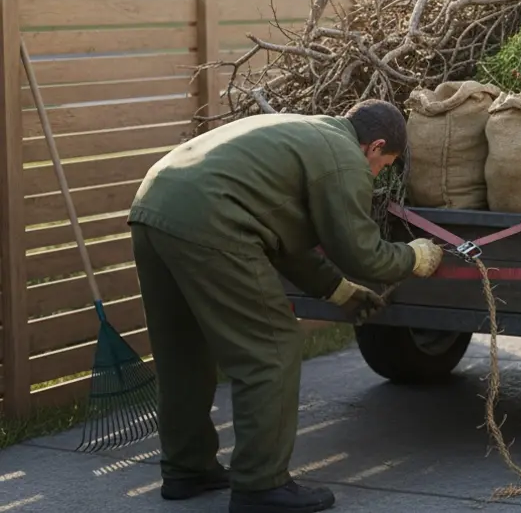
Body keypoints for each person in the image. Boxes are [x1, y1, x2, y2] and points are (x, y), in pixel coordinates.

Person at [128, 100, 444, 513]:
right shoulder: (345, 159)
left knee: (184, 350)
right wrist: (414, 256)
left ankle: (188, 469)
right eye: (384, 165)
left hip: (154, 206)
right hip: (210, 219)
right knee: (271, 348)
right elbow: (361, 253)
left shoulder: (305, 133)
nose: (378, 174)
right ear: (375, 146)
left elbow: (281, 238)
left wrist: (337, 291)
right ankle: (262, 486)